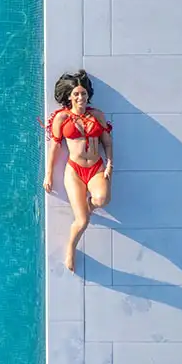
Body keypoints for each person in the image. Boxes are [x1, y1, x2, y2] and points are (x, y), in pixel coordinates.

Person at [42, 70, 113, 273]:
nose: (80, 97)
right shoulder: (62, 118)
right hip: (75, 171)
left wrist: (110, 164)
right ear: (69, 96)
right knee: (82, 221)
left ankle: (87, 206)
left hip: (96, 167)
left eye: (83, 93)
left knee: (102, 199)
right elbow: (55, 146)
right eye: (76, 94)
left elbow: (107, 142)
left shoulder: (97, 115)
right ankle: (70, 250)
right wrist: (48, 174)